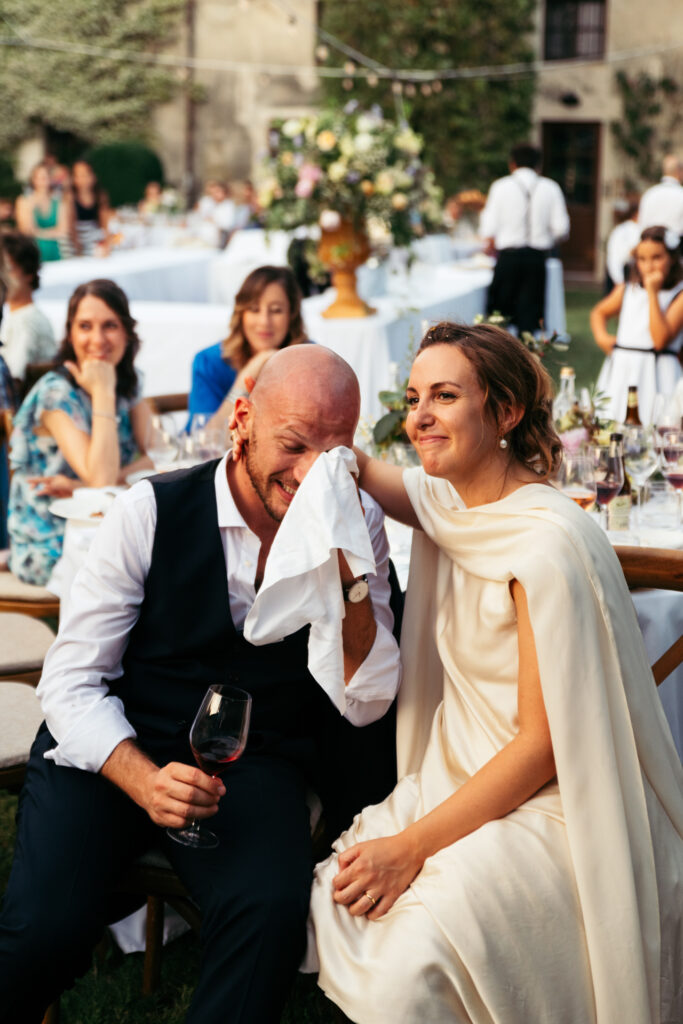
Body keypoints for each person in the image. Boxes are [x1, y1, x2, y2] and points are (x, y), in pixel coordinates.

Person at [0, 344, 402, 1024]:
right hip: (114, 745)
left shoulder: (355, 523)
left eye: (332, 456)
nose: (309, 475)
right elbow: (70, 681)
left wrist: (348, 567)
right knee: (42, 930)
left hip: (251, 762)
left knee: (267, 919)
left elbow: (365, 701)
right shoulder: (148, 511)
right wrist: (141, 778)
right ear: (241, 419)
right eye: (293, 444)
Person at [303, 322, 683, 1024]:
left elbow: (542, 749)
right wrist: (294, 416)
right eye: (413, 397)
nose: (418, 417)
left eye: (444, 397)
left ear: (503, 413)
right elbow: (348, 460)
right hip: (458, 776)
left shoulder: (543, 547)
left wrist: (411, 847)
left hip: (549, 803)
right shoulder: (447, 504)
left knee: (410, 956)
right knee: (343, 894)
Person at [7, 278, 152, 585]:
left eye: (110, 325)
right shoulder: (56, 393)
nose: (97, 339)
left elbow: (158, 457)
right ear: (70, 334)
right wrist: (103, 393)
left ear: (127, 332)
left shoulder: (129, 381)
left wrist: (76, 486)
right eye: (85, 326)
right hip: (52, 540)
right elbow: (101, 478)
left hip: (110, 527)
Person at [188, 265, 308, 427]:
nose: (264, 321)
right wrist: (248, 375)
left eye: (276, 310)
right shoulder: (209, 363)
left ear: (291, 315)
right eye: (254, 309)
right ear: (241, 313)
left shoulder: (310, 359)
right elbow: (205, 442)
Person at [591, 224, 683, 424]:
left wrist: (652, 293)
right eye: (642, 259)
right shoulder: (628, 289)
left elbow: (660, 340)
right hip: (623, 370)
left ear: (673, 258)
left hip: (657, 373)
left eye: (657, 258)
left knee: (656, 426)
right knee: (612, 424)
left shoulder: (679, 295)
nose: (648, 266)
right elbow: (599, 312)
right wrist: (602, 337)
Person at [480, 143, 570, 333]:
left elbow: (488, 229)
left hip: (508, 258)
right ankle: (526, 358)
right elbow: (561, 229)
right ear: (538, 165)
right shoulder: (550, 188)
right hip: (536, 259)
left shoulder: (500, 187)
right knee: (529, 321)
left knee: (499, 317)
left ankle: (498, 358)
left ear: (512, 164)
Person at [0, 232, 56, 387]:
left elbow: (13, 376)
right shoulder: (16, 316)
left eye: (8, 270)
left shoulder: (26, 319)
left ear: (28, 273)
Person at [15, 162, 70, 263]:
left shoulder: (59, 202)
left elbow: (63, 231)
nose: (43, 181)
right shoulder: (24, 201)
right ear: (33, 179)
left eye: (46, 177)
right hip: (33, 253)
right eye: (40, 177)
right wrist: (31, 208)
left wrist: (39, 232)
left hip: (56, 252)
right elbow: (26, 231)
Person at [69, 159, 111, 256]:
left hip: (95, 242)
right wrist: (77, 249)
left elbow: (104, 225)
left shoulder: (100, 196)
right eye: (78, 175)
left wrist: (107, 244)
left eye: (84, 175)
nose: (81, 179)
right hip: (76, 243)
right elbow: (71, 227)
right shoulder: (70, 198)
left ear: (93, 176)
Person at [638, 154, 683, 237]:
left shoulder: (649, 194)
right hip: (675, 247)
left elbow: (642, 224)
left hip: (649, 244)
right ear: (679, 171)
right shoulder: (681, 194)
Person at [604, 195, 640, 293]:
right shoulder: (633, 229)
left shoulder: (619, 230)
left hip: (618, 272)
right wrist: (619, 280)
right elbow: (620, 256)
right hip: (626, 272)